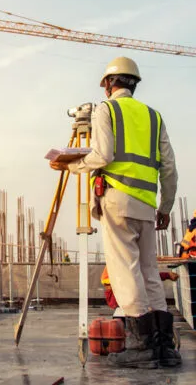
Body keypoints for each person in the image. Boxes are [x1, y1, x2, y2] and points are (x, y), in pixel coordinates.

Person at [50, 57, 180, 369]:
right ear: (134, 83)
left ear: (110, 84)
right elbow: (170, 169)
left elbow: (102, 155)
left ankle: (142, 345)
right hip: (147, 205)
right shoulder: (154, 116)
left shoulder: (106, 109)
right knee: (149, 270)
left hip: (117, 200)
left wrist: (69, 164)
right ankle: (164, 347)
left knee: (125, 272)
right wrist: (166, 207)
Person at [101, 265, 179, 315]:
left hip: (124, 303)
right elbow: (146, 277)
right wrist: (167, 275)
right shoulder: (119, 267)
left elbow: (145, 277)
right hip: (124, 304)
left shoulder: (119, 264)